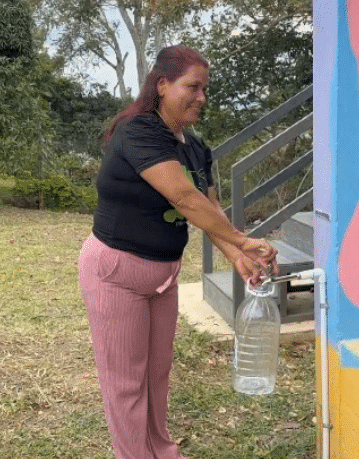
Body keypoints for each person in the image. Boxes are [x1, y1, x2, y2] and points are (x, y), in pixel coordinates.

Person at [78, 45, 279, 459]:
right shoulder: (139, 131)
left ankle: (162, 451)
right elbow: (183, 198)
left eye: (205, 88)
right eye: (193, 86)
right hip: (116, 272)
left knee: (156, 375)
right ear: (163, 85)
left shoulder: (195, 146)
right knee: (126, 383)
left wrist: (238, 257)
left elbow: (208, 209)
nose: (201, 97)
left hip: (163, 277)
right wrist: (243, 241)